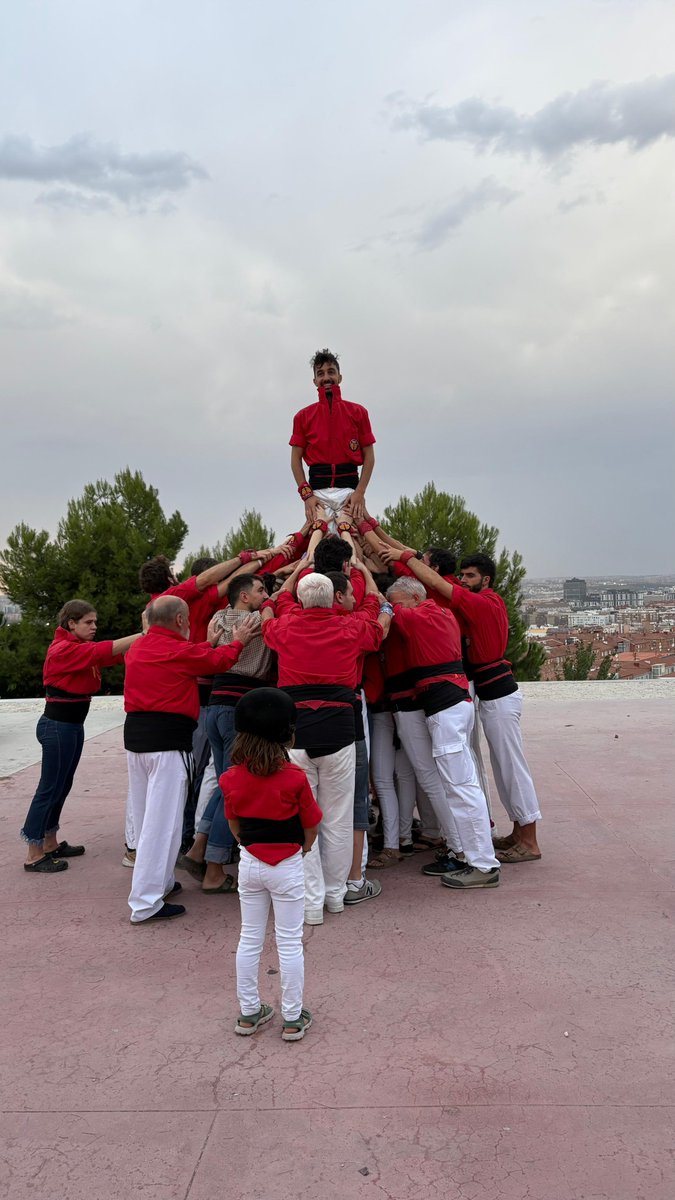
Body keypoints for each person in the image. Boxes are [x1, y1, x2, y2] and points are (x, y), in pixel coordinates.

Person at [384, 549, 542, 863]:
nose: (463, 581)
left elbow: (438, 585)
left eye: (470, 576)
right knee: (496, 767)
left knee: (510, 766)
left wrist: (402, 553)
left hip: (497, 694)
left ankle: (529, 838)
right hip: (486, 693)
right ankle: (516, 830)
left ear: (487, 579)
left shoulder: (482, 602)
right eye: (463, 575)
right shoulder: (481, 602)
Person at [261, 567, 389, 924]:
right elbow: (378, 626)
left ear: (302, 600)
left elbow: (271, 610)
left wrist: (272, 603)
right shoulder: (350, 627)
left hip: (295, 732)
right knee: (338, 816)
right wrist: (382, 606)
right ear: (334, 597)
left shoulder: (284, 626)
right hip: (339, 729)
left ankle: (311, 902)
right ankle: (335, 895)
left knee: (302, 817)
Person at [123, 595, 258, 923]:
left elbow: (193, 657)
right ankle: (146, 901)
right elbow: (217, 663)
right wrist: (238, 639)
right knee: (163, 823)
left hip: (136, 741)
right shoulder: (179, 652)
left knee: (145, 819)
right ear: (181, 621)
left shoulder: (140, 648)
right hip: (168, 743)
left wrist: (208, 643)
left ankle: (159, 883)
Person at [386, 576, 501, 889]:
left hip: (446, 711)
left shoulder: (420, 615)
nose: (397, 608)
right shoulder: (442, 613)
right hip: (453, 705)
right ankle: (472, 857)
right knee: (461, 786)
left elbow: (386, 610)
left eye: (399, 601)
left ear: (414, 597)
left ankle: (482, 863)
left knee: (462, 788)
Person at [223, 689, 322, 1041]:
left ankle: (249, 1012)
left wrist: (247, 845)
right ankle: (293, 1018)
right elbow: (311, 823)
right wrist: (304, 849)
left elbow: (234, 824)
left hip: (250, 862)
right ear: (289, 734)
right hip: (288, 865)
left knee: (249, 937)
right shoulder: (295, 778)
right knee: (289, 942)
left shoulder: (231, 777)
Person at [21, 600, 141, 873]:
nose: (94, 627)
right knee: (49, 787)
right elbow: (105, 650)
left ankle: (49, 842)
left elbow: (111, 655)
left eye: (95, 622)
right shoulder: (63, 649)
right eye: (88, 622)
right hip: (58, 726)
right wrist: (145, 634)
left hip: (71, 726)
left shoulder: (79, 648)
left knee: (61, 786)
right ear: (71, 623)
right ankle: (33, 852)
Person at [179, 573, 274, 893]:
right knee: (236, 788)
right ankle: (215, 868)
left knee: (224, 784)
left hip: (216, 706)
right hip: (240, 708)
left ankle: (197, 849)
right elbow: (281, 603)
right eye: (261, 590)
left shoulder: (219, 618)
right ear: (245, 597)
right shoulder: (257, 622)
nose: (266, 594)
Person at [290, 348, 376, 527]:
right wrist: (307, 496)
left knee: (366, 546)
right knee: (313, 548)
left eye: (331, 372)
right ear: (315, 381)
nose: (326, 378)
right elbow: (295, 460)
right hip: (317, 495)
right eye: (320, 374)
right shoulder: (302, 417)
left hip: (350, 494)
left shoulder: (358, 412)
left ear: (340, 377)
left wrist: (359, 492)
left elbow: (369, 456)